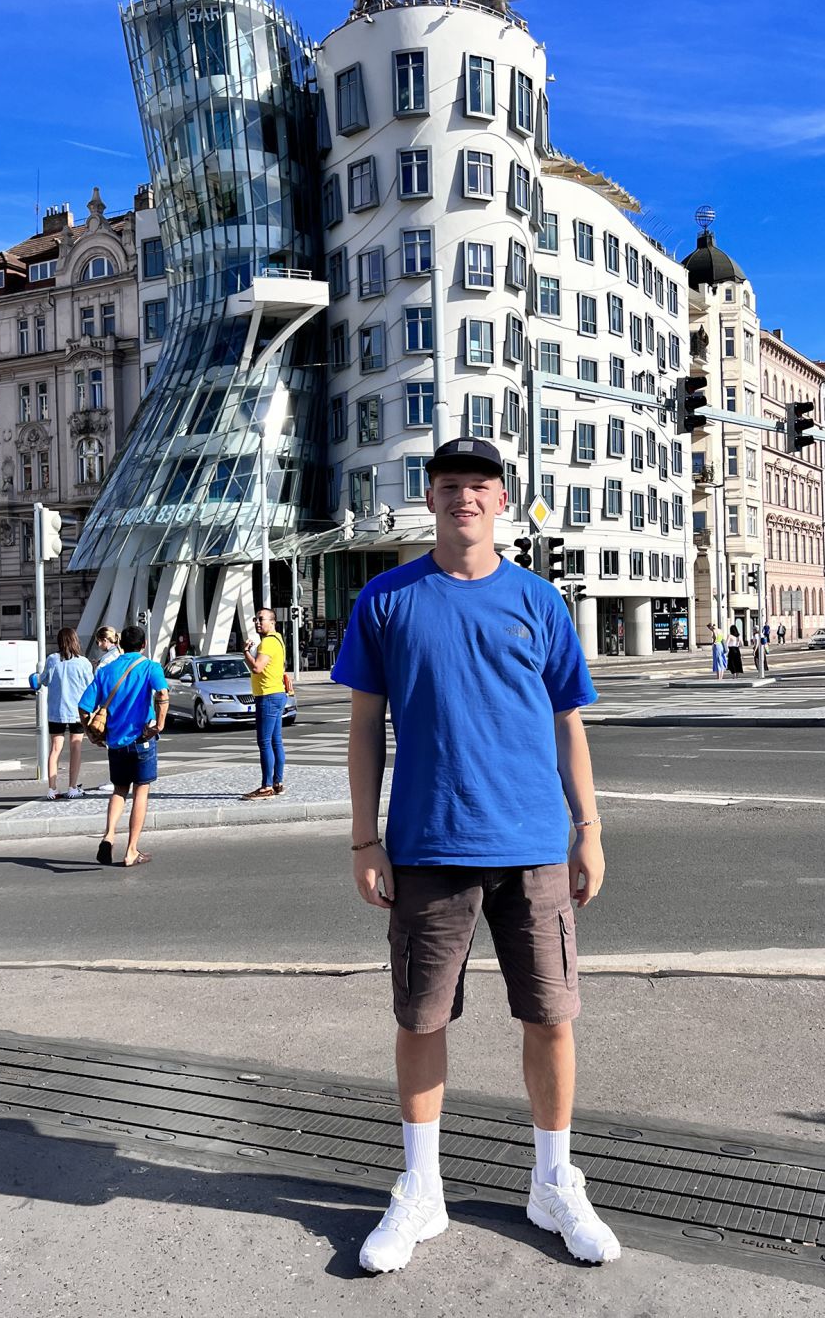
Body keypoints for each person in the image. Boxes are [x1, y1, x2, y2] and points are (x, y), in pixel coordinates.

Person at [332, 436, 620, 1275]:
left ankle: (554, 1180)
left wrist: (590, 827)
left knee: (551, 1016)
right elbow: (363, 730)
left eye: (481, 486)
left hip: (533, 845)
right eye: (451, 484)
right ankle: (422, 1186)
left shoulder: (538, 600)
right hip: (426, 842)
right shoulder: (386, 600)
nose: (466, 497)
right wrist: (363, 836)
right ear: (430, 498)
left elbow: (570, 721)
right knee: (420, 1019)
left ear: (502, 501)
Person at [77, 624, 168, 867]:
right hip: (142, 740)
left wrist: (91, 733)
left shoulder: (106, 671)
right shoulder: (150, 667)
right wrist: (159, 724)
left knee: (119, 790)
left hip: (115, 742)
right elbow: (162, 694)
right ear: (143, 645)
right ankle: (131, 851)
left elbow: (83, 706)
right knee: (141, 790)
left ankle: (108, 836)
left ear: (120, 644)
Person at [241, 607, 292, 799]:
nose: (257, 622)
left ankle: (266, 786)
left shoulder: (268, 643)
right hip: (276, 693)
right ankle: (277, 782)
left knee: (264, 742)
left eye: (261, 619)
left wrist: (245, 652)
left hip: (268, 695)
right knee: (275, 741)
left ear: (272, 622)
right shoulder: (277, 639)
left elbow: (257, 667)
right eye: (256, 619)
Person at [38, 627, 95, 799]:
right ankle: (72, 787)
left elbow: (44, 680)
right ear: (75, 640)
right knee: (75, 747)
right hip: (77, 711)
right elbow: (90, 685)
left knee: (55, 749)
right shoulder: (83, 662)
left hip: (56, 711)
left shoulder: (52, 659)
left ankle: (52, 788)